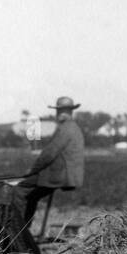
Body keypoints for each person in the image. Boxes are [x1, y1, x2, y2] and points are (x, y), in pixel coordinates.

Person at [12, 95, 86, 230]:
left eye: (64, 111)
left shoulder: (65, 128)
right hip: (67, 175)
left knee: (20, 190)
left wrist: (33, 171)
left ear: (70, 112)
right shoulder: (73, 127)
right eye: (59, 110)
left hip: (60, 175)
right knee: (32, 196)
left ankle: (18, 232)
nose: (60, 113)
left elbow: (49, 153)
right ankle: (24, 231)